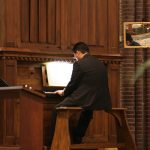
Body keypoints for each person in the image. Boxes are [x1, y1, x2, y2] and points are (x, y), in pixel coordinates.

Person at [50, 42, 112, 144]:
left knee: (56, 109)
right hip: (101, 99)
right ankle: (78, 137)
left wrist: (63, 92)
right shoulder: (99, 63)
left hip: (86, 97)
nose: (75, 58)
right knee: (87, 111)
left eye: (74, 55)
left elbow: (73, 84)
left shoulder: (79, 64)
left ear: (78, 52)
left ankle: (54, 142)